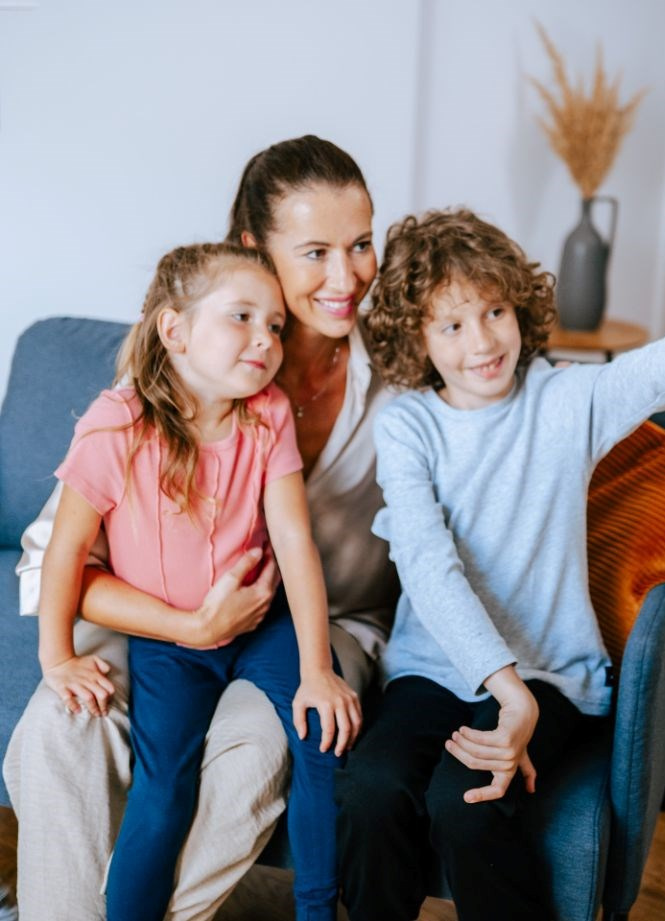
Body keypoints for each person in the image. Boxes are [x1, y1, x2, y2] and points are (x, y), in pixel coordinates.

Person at [335, 207, 665, 921]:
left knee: (464, 801)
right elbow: (427, 567)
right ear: (416, 338)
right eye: (452, 325)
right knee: (369, 792)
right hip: (432, 666)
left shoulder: (563, 398)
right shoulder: (407, 425)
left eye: (494, 311)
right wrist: (505, 692)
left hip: (550, 669)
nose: (482, 341)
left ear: (519, 306)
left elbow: (657, 371)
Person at [3, 135, 399, 921]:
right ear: (252, 247)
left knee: (254, 749)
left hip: (317, 629)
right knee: (58, 727)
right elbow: (54, 557)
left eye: (360, 244)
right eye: (315, 252)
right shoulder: (166, 378)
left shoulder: (400, 374)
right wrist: (190, 624)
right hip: (161, 616)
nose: (347, 276)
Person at [40, 241, 359, 921]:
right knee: (164, 789)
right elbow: (65, 551)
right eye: (241, 316)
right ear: (175, 330)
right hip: (170, 645)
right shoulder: (117, 424)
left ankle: (316, 909)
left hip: (262, 624)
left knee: (321, 732)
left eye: (275, 325)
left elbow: (294, 541)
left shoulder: (268, 413)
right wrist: (57, 657)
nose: (265, 338)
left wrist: (316, 669)